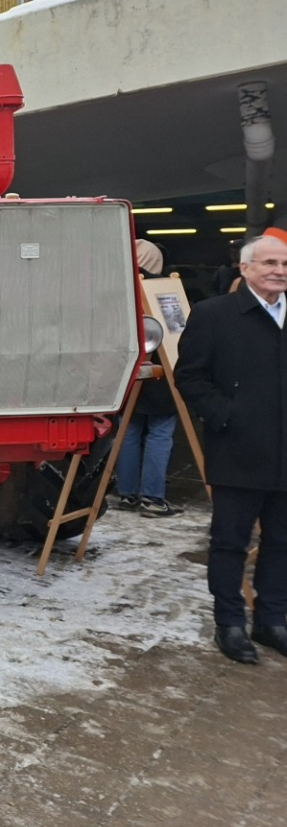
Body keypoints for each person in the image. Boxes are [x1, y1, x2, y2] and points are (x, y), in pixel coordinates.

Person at [176, 230, 287, 665]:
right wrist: (227, 416)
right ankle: (231, 624)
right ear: (245, 268)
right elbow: (191, 378)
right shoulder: (214, 315)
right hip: (238, 452)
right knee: (229, 543)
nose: (279, 271)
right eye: (269, 263)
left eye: (284, 264)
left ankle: (272, 618)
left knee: (282, 542)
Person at [115, 239, 181, 516]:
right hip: (160, 372)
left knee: (128, 430)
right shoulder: (164, 291)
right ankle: (152, 498)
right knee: (160, 432)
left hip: (126, 371)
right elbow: (177, 331)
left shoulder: (118, 287)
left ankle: (127, 493)